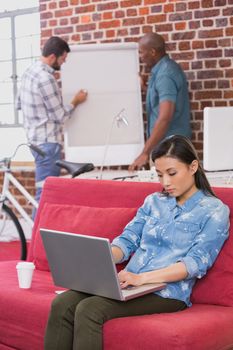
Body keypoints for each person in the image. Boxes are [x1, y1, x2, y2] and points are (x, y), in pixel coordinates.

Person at [44, 135, 229, 350]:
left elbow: (195, 264)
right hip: (129, 282)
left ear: (193, 167)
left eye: (172, 173)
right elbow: (128, 240)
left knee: (89, 309)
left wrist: (142, 278)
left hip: (167, 292)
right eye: (159, 175)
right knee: (62, 303)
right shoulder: (154, 202)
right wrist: (100, 257)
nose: (165, 182)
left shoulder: (215, 211)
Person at [17, 36, 88, 205]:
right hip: (48, 145)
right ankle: (37, 232)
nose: (63, 64)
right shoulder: (46, 79)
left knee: (43, 193)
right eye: (63, 59)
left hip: (34, 142)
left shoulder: (29, 72)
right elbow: (60, 116)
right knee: (46, 196)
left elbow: (18, 104)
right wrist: (76, 101)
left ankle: (37, 231)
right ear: (52, 57)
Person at [129, 32, 191, 171]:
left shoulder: (165, 75)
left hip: (171, 149)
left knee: (170, 191)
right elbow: (160, 101)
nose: (140, 57)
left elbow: (165, 117)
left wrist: (145, 153)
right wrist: (144, 88)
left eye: (141, 52)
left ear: (152, 52)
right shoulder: (161, 71)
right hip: (167, 147)